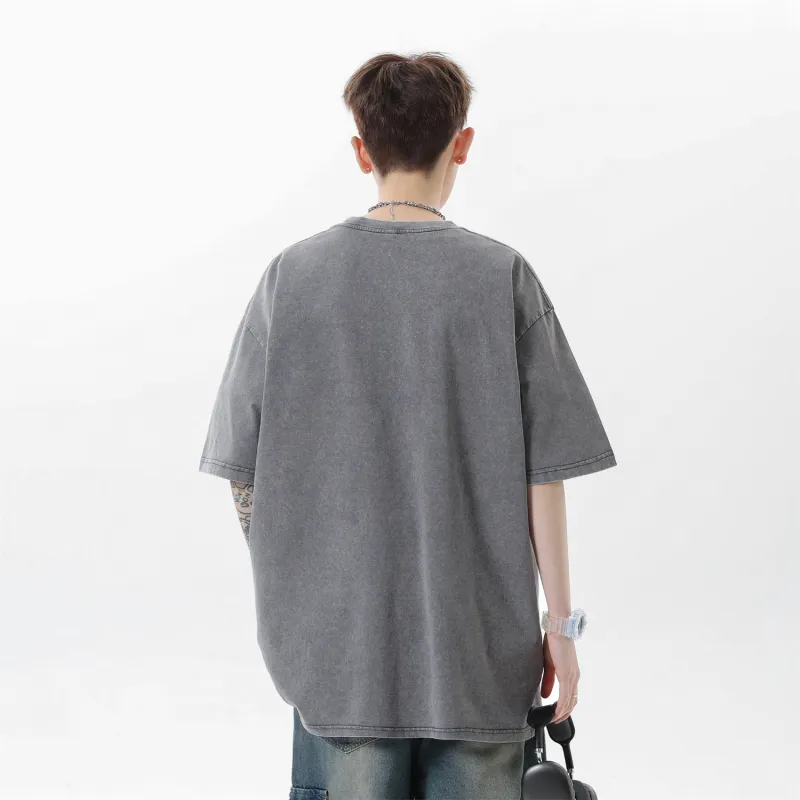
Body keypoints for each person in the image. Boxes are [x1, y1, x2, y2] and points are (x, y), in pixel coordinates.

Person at [198, 51, 617, 800]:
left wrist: (306, 580)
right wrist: (561, 628)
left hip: (341, 662)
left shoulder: (291, 279)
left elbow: (242, 469)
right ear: (463, 143)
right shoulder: (503, 278)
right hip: (479, 659)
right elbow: (544, 475)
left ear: (362, 151)